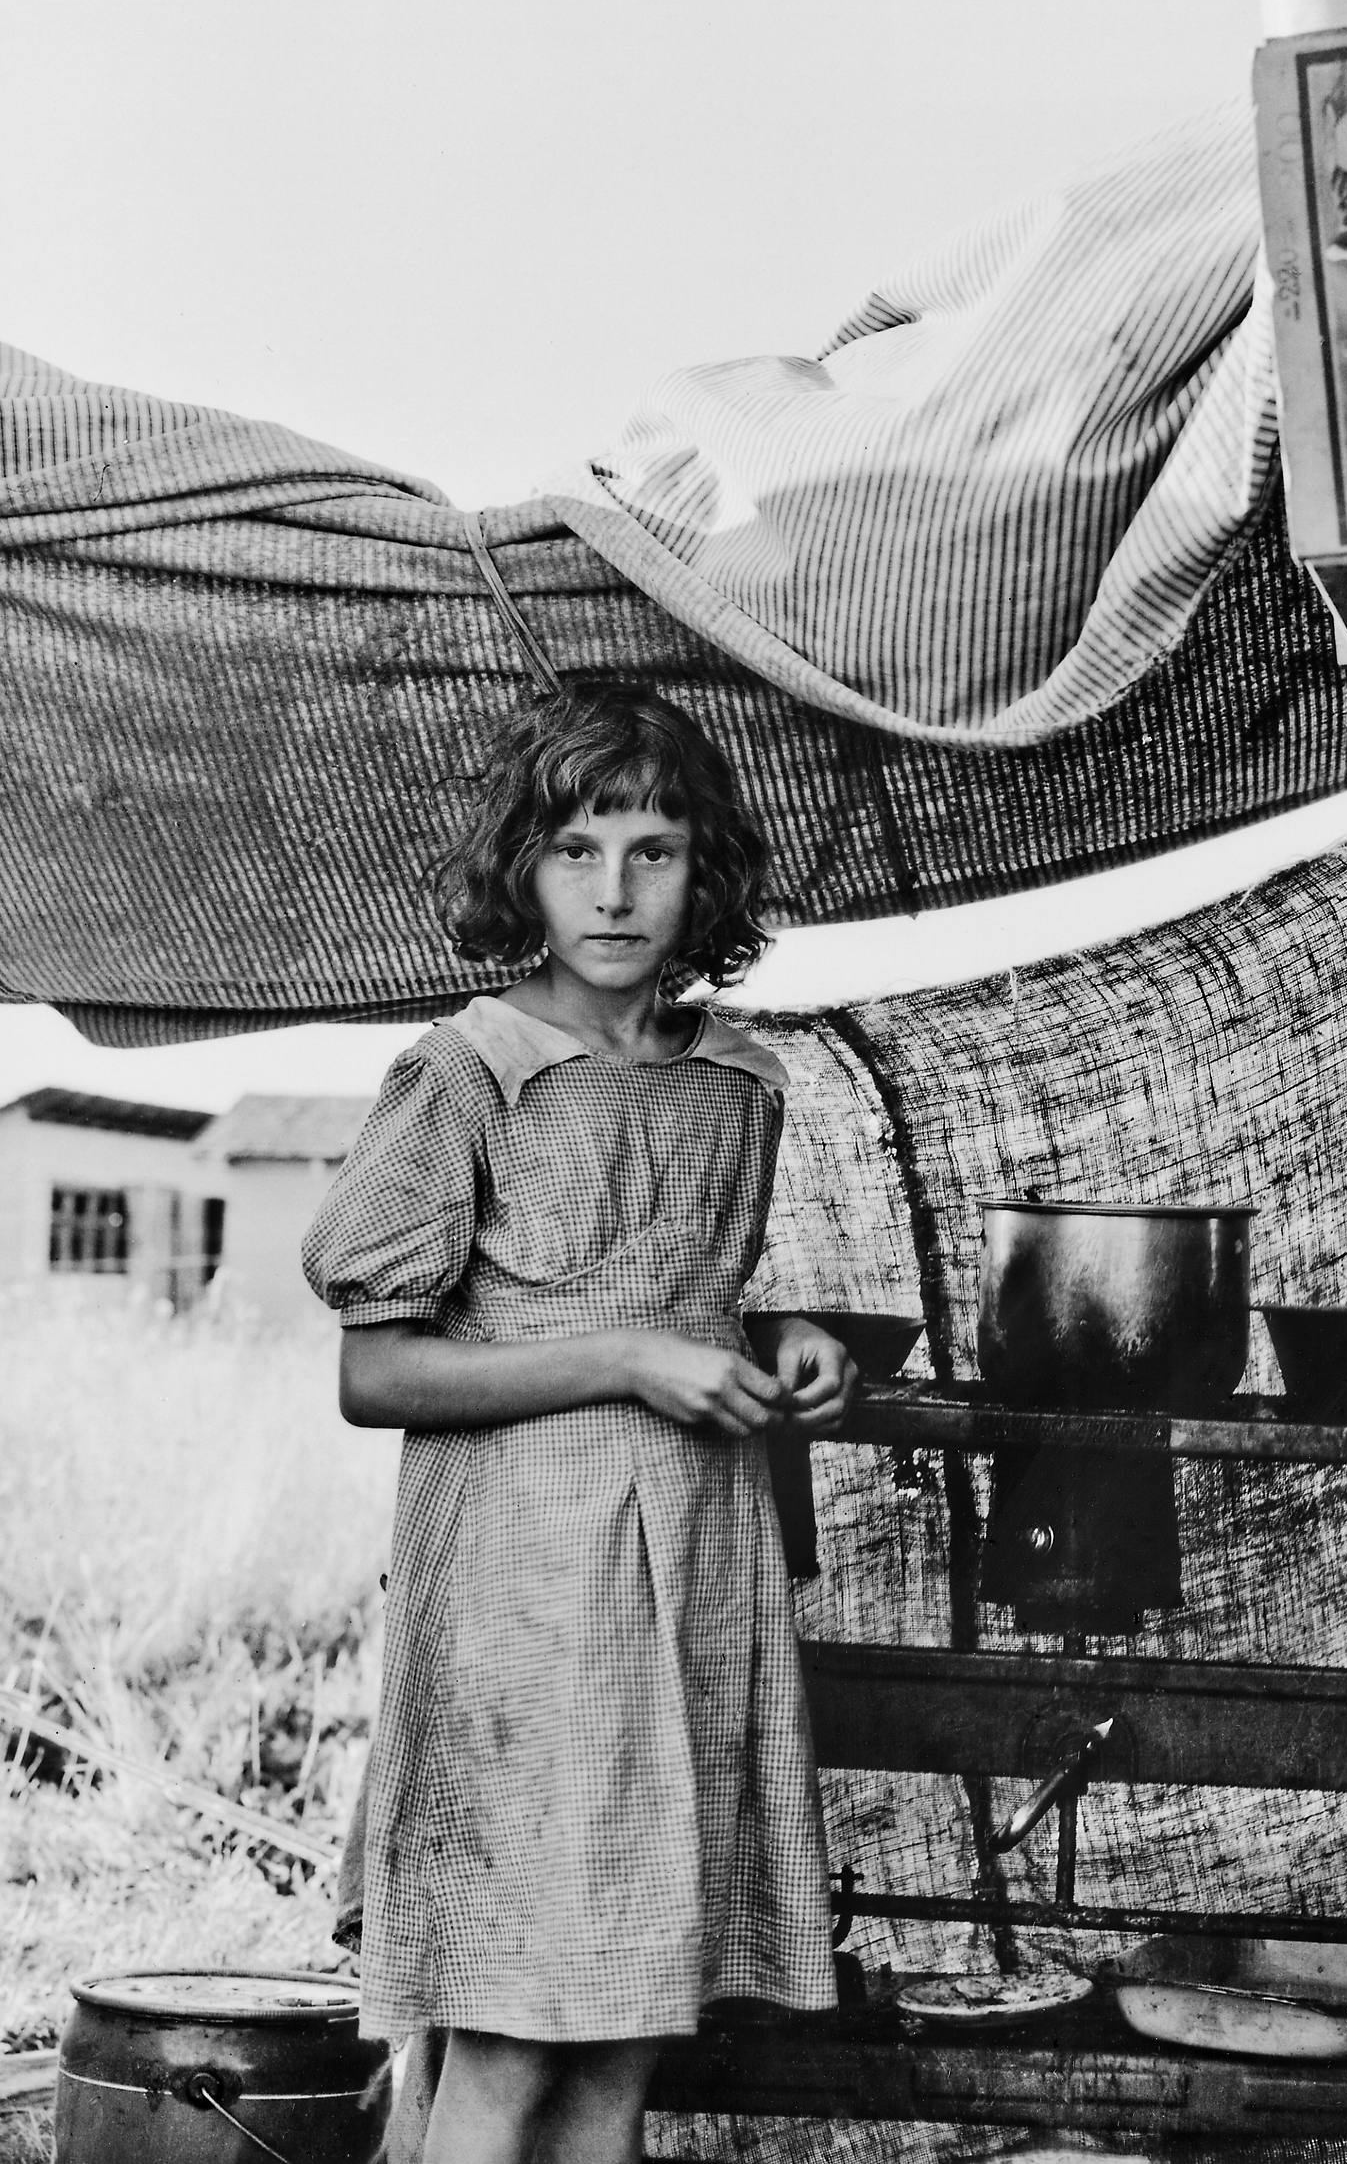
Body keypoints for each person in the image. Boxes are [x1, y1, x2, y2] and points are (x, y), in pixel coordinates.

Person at [302, 682, 853, 2164]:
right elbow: (378, 1373)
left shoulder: (739, 1081)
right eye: (576, 848)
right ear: (523, 868)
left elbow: (679, 1289)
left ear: (705, 870)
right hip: (525, 1603)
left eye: (654, 849)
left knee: (621, 2041)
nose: (615, 891)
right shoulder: (467, 1069)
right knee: (508, 2032)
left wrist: (776, 1339)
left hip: (695, 1582)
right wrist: (626, 1361)